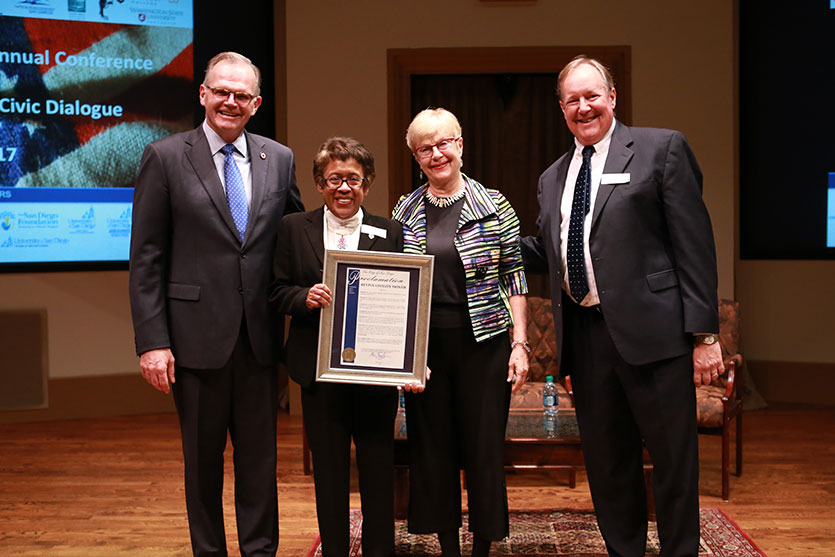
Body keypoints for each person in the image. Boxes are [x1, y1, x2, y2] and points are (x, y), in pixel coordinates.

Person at [521, 55, 724, 556]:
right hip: (587, 341)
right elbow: (549, 250)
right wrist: (485, 246)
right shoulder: (552, 177)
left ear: (613, 97)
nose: (584, 107)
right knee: (609, 465)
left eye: (593, 96)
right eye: (573, 100)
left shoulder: (661, 149)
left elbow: (694, 246)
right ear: (561, 108)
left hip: (656, 338)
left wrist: (705, 336)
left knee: (674, 463)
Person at [128, 51, 304, 556]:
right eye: (221, 90)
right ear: (203, 94)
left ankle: (259, 551)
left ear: (256, 103)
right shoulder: (163, 156)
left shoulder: (280, 159)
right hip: (193, 342)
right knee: (202, 467)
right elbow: (146, 259)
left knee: (259, 466)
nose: (230, 100)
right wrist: (153, 342)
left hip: (259, 340)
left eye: (241, 94)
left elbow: (294, 243)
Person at [393, 108, 529, 556]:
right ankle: (449, 546)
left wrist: (520, 345)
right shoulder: (404, 209)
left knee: (483, 451)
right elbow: (398, 283)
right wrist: (404, 354)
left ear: (461, 145)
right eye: (425, 148)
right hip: (428, 350)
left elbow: (515, 277)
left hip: (485, 347)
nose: (437, 154)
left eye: (444, 143)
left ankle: (482, 549)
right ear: (417, 156)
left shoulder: (495, 204)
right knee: (434, 451)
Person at [270, 137, 403, 557]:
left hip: (375, 373)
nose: (343, 188)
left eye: (353, 179)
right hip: (318, 371)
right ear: (319, 183)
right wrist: (302, 298)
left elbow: (403, 300)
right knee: (329, 473)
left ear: (368, 183)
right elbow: (274, 291)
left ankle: (380, 549)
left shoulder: (390, 230)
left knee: (378, 469)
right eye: (334, 179)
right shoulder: (293, 228)